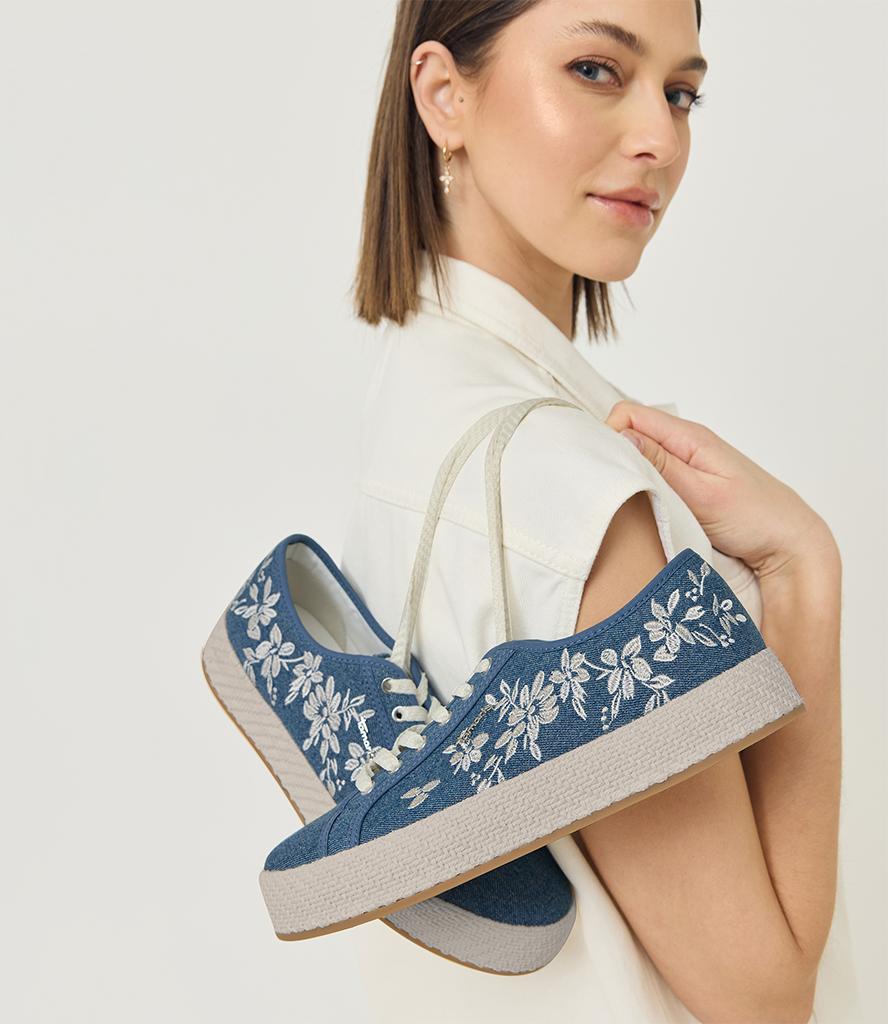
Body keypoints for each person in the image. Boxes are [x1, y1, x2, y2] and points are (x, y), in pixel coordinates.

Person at [340, 1, 852, 1021]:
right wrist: (801, 570)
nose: (661, 136)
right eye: (596, 70)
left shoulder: (420, 383)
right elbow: (761, 995)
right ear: (443, 95)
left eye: (681, 92)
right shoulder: (566, 488)